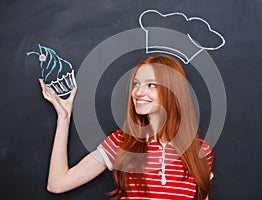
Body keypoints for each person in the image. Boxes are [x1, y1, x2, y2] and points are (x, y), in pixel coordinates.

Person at [39, 54, 213, 200]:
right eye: (136, 84)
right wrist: (64, 117)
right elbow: (57, 184)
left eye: (151, 85)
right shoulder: (121, 142)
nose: (138, 92)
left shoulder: (200, 150)